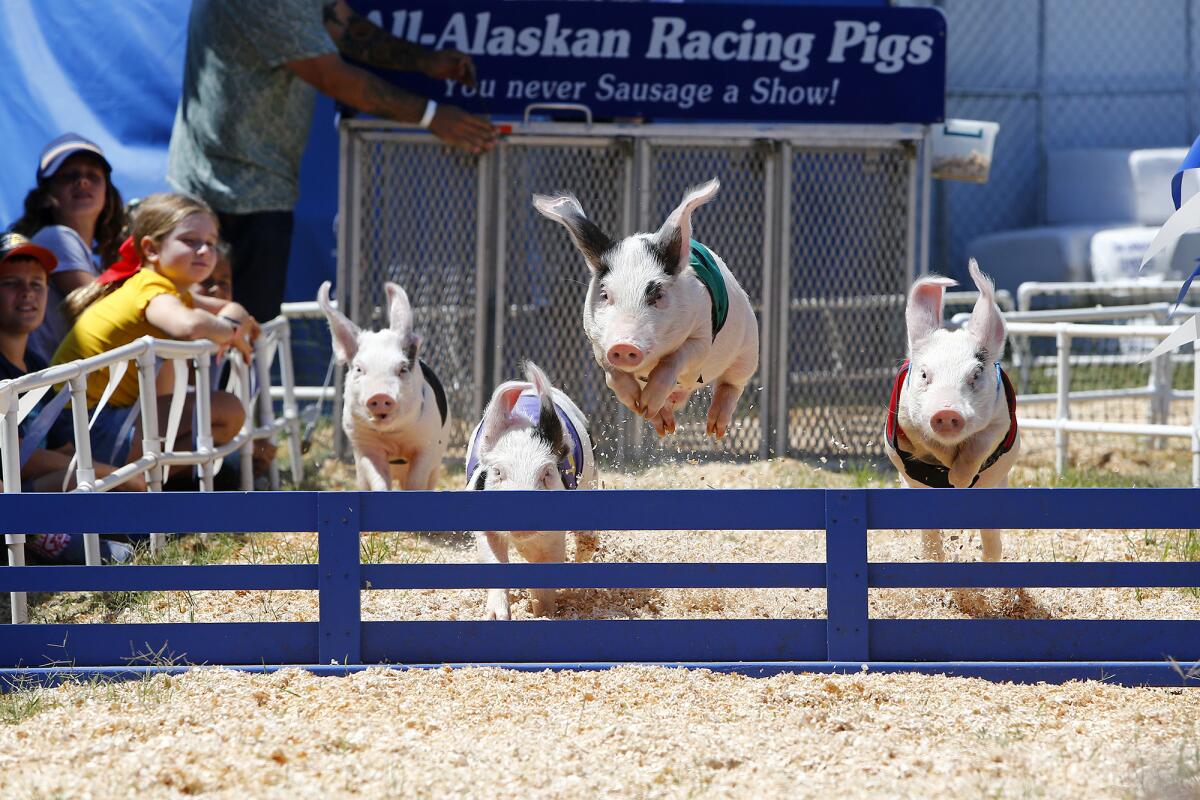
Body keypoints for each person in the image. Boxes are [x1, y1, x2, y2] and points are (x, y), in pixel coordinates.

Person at [167, 0, 497, 323]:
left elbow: (344, 24)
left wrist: (425, 61)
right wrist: (434, 116)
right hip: (223, 191)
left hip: (254, 186)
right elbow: (332, 77)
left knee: (249, 339)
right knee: (222, 337)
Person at [52, 193, 253, 475]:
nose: (205, 251)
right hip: (81, 426)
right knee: (226, 409)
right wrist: (231, 332)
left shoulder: (168, 290)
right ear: (151, 249)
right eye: (190, 241)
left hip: (93, 422)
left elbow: (233, 308)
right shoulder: (151, 289)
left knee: (221, 413)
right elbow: (190, 326)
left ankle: (138, 484)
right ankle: (134, 486)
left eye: (210, 243)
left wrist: (234, 321)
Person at [10, 133, 127, 363]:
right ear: (45, 196)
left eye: (93, 175)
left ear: (107, 193)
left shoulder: (92, 262)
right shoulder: (56, 237)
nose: (82, 181)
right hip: (52, 392)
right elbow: (104, 311)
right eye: (68, 176)